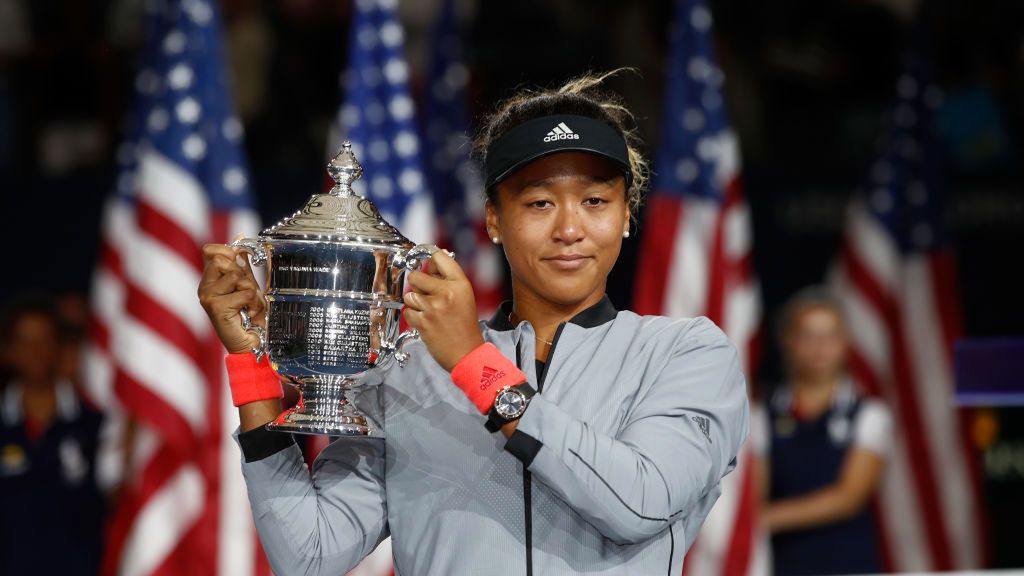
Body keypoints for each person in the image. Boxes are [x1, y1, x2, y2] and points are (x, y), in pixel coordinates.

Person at [198, 71, 749, 575]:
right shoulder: (409, 372)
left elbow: (638, 503)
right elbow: (309, 556)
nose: (569, 229)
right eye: (538, 203)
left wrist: (473, 365)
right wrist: (253, 366)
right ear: (493, 219)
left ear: (626, 214)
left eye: (595, 201)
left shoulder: (687, 354)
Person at [753, 287, 892, 575]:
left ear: (845, 343)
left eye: (829, 336)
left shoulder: (870, 414)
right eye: (808, 336)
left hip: (849, 564)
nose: (819, 347)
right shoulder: (760, 415)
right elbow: (756, 487)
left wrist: (765, 518)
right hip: (782, 563)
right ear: (787, 341)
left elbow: (849, 497)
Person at [0, 295, 106, 576]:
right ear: (7, 350)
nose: (35, 351)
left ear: (60, 347)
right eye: (24, 342)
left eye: (44, 340)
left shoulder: (94, 425)